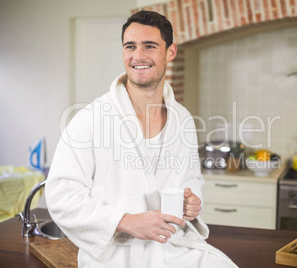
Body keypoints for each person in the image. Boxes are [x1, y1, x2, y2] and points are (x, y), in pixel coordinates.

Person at [46, 10, 237, 267]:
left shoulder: (182, 119)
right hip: (116, 255)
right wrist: (126, 221)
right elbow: (61, 197)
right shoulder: (91, 119)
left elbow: (191, 179)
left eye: (149, 46)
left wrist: (192, 202)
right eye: (130, 46)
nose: (138, 56)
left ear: (170, 52)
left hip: (172, 249)